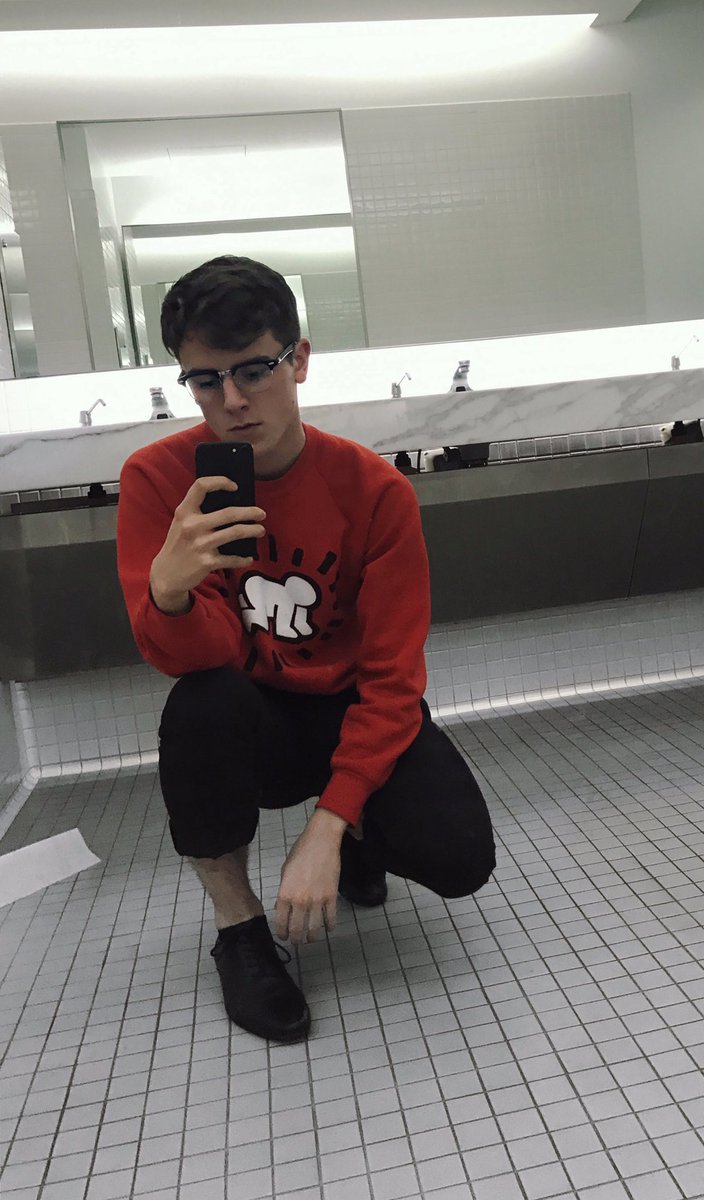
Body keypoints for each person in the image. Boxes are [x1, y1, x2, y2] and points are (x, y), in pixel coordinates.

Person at [116, 256, 496, 1043]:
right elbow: (196, 658)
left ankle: (357, 840)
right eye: (205, 380)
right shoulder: (159, 481)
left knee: (460, 857)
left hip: (348, 703)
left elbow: (393, 680)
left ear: (300, 360)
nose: (232, 401)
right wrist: (172, 593)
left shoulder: (374, 492)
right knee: (199, 707)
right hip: (251, 709)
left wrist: (328, 824)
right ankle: (239, 930)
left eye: (254, 370)